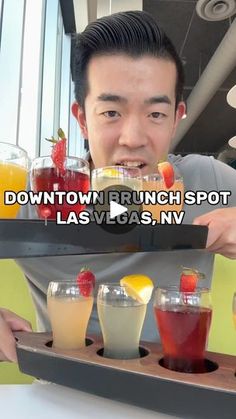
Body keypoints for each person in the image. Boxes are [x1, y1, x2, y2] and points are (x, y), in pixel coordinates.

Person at [1, 10, 236, 363]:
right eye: (111, 112)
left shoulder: (205, 180)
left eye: (155, 114)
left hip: (176, 391)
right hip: (62, 397)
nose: (133, 138)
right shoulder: (37, 195)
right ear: (82, 119)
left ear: (175, 118)